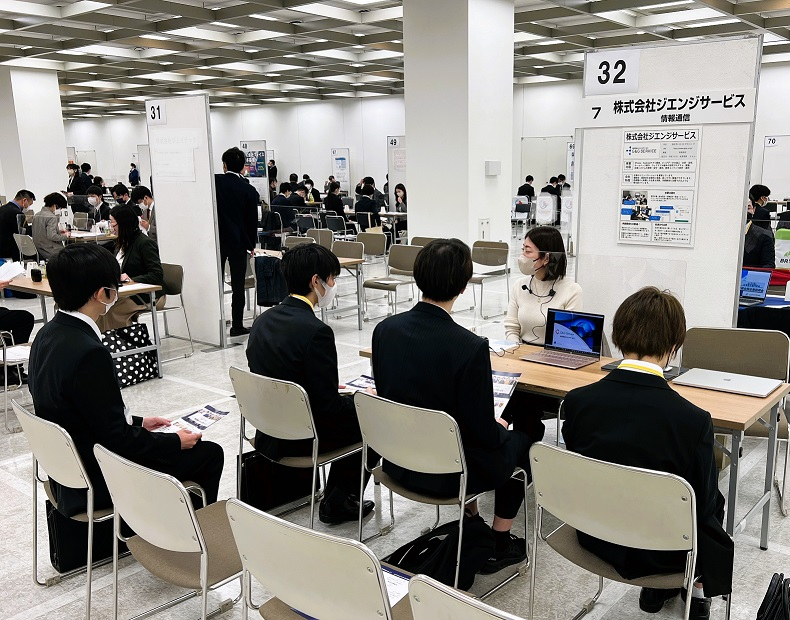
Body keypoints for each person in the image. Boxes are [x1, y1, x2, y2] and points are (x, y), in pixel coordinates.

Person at [562, 287, 733, 620]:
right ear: (673, 347)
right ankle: (695, 590)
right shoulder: (693, 420)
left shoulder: (577, 402)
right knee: (713, 501)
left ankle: (660, 590)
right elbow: (702, 506)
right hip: (662, 551)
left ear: (618, 336)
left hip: (594, 535)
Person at [372, 239, 533, 574]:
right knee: (525, 436)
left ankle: (472, 520)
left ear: (417, 276)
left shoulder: (384, 330)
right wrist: (501, 428)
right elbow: (482, 432)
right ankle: (499, 540)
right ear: (463, 286)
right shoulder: (469, 346)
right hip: (449, 476)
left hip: (397, 462)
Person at [28, 243, 223, 517]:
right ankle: (183, 530)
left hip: (65, 469)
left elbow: (82, 411)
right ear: (103, 294)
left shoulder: (46, 334)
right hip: (97, 475)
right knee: (209, 454)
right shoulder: (89, 352)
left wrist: (139, 422)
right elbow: (118, 440)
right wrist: (173, 442)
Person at [246, 244, 377, 524]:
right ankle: (339, 499)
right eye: (332, 278)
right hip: (303, 437)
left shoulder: (262, 321)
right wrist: (361, 400)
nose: (333, 285)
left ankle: (338, 495)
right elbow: (329, 407)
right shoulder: (316, 331)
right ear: (315, 281)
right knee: (374, 417)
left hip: (268, 430)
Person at [502, 226, 582, 440]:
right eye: (523, 249)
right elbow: (512, 327)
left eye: (528, 251)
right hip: (520, 355)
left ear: (546, 257)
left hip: (553, 362)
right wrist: (517, 353)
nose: (522, 256)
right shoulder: (520, 285)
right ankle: (515, 435)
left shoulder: (571, 290)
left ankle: (516, 437)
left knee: (524, 397)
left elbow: (568, 339)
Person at [96, 205, 166, 332]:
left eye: (113, 224)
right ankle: (103, 340)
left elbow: (156, 275)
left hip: (147, 296)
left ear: (123, 224)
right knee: (98, 305)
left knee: (109, 310)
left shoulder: (145, 243)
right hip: (127, 292)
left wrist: (131, 279)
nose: (111, 228)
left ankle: (119, 341)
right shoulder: (121, 242)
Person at [215, 146, 259, 337]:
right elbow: (252, 222)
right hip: (239, 243)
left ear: (224, 165)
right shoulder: (249, 190)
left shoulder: (214, 183)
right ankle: (237, 325)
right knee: (238, 285)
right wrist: (251, 245)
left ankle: (213, 322)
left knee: (215, 282)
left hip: (216, 241)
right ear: (243, 167)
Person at [32, 192, 70, 260]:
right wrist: (65, 236)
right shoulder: (52, 217)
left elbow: (42, 231)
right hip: (50, 250)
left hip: (39, 250)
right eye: (60, 208)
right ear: (55, 205)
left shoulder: (37, 215)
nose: (60, 210)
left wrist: (58, 231)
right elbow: (52, 236)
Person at [0, 189, 35, 261]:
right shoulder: (18, 214)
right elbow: (23, 234)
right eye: (29, 204)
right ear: (24, 200)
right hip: (10, 252)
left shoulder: (2, 209)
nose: (28, 207)